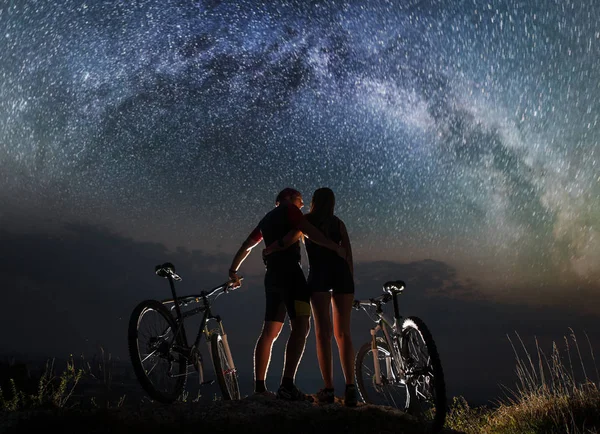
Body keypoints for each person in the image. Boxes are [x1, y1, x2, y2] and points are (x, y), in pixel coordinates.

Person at [228, 187, 345, 401]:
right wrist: (332, 245)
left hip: (272, 278)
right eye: (300, 201)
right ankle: (287, 385)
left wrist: (233, 270)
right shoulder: (291, 210)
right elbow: (306, 230)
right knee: (302, 325)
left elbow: (247, 246)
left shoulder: (266, 219)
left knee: (269, 332)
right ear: (289, 199)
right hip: (291, 275)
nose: (302, 206)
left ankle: (260, 387)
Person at [263, 187, 357, 407]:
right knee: (343, 333)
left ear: (314, 202)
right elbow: (348, 255)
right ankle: (351, 388)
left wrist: (268, 250)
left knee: (323, 333)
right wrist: (349, 281)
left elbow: (286, 240)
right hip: (343, 275)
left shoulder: (307, 221)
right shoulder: (339, 223)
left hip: (319, 277)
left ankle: (329, 389)